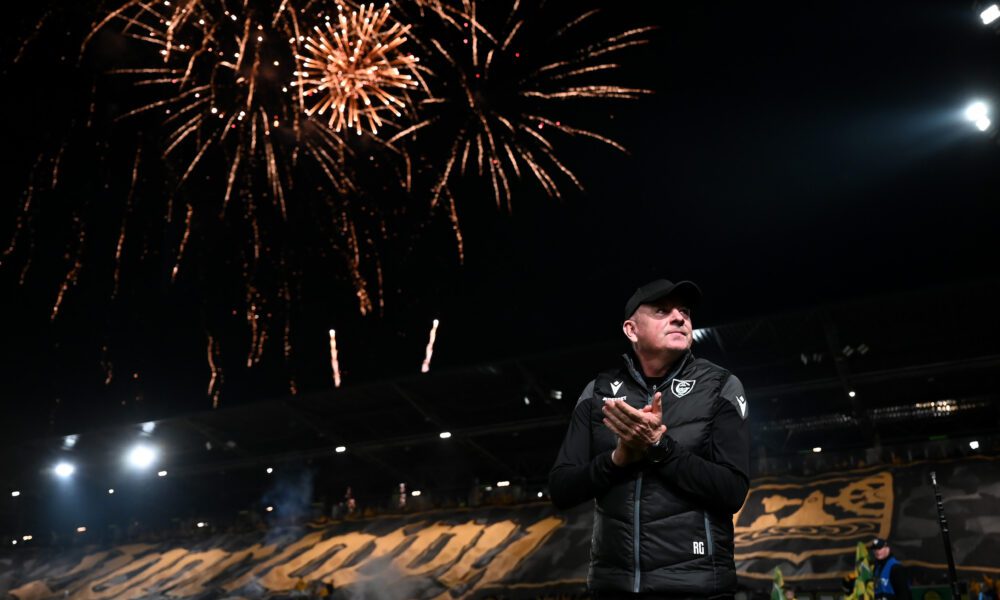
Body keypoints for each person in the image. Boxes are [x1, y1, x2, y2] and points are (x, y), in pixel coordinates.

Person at [549, 278, 751, 598]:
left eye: (684, 311)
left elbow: (733, 491)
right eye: (662, 311)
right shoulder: (597, 393)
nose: (679, 318)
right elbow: (561, 489)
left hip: (695, 588)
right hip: (611, 587)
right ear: (631, 330)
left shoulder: (720, 386)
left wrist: (659, 446)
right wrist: (617, 460)